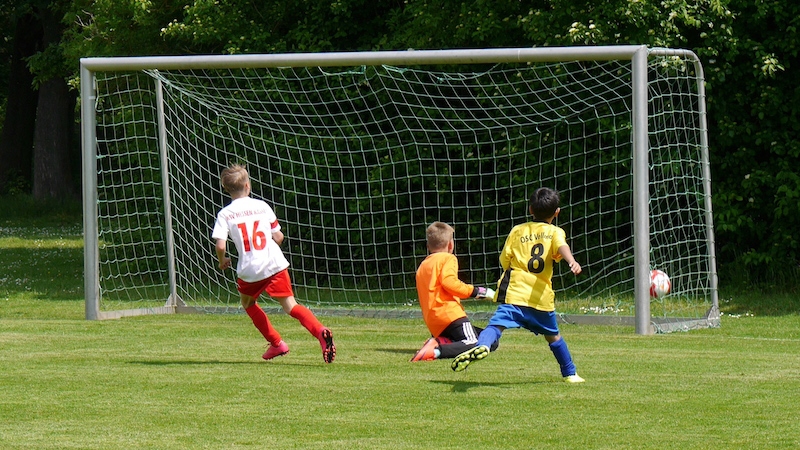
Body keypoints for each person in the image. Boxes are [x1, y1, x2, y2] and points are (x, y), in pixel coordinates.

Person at [450, 187, 585, 383]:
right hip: (540, 298)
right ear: (557, 212)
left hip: (515, 293)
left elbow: (504, 259)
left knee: (496, 326)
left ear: (530, 209)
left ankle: (483, 345)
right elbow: (561, 246)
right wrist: (571, 261)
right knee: (553, 336)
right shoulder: (555, 232)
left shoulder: (518, 230)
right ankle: (570, 373)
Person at [212, 163, 336, 363]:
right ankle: (320, 331)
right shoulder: (262, 206)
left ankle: (277, 343)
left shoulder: (225, 214)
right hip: (274, 263)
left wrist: (222, 260)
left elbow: (220, 245)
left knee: (248, 303)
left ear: (226, 189)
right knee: (291, 306)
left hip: (250, 270)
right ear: (247, 186)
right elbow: (278, 236)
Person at [411, 221, 498, 362]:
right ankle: (435, 351)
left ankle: (439, 341)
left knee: (491, 340)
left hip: (434, 322)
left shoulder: (423, 265)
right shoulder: (448, 258)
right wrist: (477, 291)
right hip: (450, 315)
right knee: (475, 343)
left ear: (428, 246)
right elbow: (449, 283)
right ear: (450, 245)